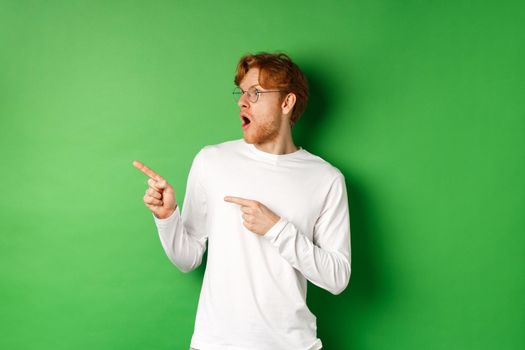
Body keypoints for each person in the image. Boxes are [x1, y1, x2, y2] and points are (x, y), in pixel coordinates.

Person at [133, 52, 351, 350]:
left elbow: (337, 277)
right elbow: (188, 258)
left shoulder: (325, 179)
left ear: (287, 103)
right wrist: (168, 217)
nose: (242, 102)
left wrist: (277, 229)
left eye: (256, 93)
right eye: (241, 92)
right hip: (215, 344)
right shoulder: (213, 160)